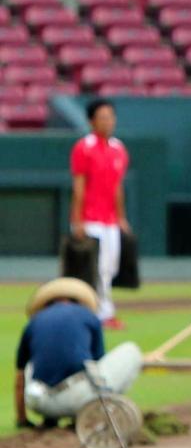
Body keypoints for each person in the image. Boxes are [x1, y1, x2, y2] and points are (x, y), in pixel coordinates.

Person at [14, 278, 142, 429]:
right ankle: (96, 415)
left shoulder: (33, 322)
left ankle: (50, 419)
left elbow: (20, 377)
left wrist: (22, 419)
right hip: (80, 401)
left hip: (38, 401)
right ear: (78, 300)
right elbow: (97, 364)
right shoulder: (88, 316)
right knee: (131, 350)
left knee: (30, 363)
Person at [70, 99, 130, 330]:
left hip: (110, 220)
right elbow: (79, 186)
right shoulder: (83, 147)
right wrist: (77, 220)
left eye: (110, 117)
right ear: (91, 121)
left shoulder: (118, 149)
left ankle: (101, 311)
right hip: (90, 219)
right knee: (96, 268)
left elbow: (117, 186)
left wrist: (121, 217)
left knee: (110, 267)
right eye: (102, 117)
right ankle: (103, 314)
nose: (108, 122)